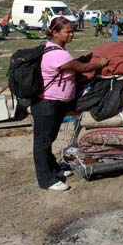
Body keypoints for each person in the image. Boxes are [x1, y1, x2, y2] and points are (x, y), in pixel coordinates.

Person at [31, 16, 109, 191]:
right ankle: (47, 180)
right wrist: (100, 63)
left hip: (55, 103)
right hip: (46, 103)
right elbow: (81, 68)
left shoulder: (56, 50)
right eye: (68, 32)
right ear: (55, 32)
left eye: (72, 31)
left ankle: (54, 169)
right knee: (42, 142)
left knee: (48, 139)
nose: (72, 35)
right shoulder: (57, 53)